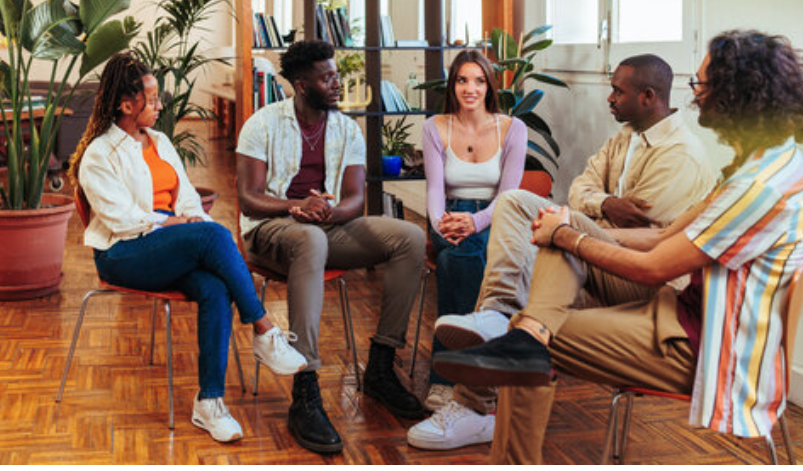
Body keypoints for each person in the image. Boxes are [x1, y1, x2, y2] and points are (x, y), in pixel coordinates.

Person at [432, 30, 803, 464]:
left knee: (529, 336)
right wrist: (571, 225)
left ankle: (512, 349)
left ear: (738, 94)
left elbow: (654, 265)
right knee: (543, 234)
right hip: (691, 316)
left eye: (703, 85)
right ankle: (511, 324)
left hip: (710, 346)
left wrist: (567, 235)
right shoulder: (766, 164)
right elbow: (662, 234)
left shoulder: (758, 188)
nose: (695, 96)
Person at [406, 53, 716, 450]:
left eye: (617, 91)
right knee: (520, 226)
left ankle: (475, 394)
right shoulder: (624, 137)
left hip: (640, 279)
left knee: (522, 237)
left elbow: (644, 235)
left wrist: (572, 233)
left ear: (647, 96)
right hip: (598, 261)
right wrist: (603, 206)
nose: (609, 98)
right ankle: (483, 376)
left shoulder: (681, 155)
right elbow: (578, 189)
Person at [68, 52, 307, 444]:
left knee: (214, 288)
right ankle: (263, 329)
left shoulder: (160, 141)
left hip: (168, 243)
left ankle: (209, 402)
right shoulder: (99, 154)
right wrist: (182, 224)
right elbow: (123, 221)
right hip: (124, 252)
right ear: (126, 104)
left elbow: (189, 199)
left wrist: (191, 220)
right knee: (212, 236)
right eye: (152, 97)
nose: (160, 104)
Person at [235, 39, 426, 455]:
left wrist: (325, 212)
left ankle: (380, 365)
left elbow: (355, 198)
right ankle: (305, 384)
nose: (338, 83)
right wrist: (296, 207)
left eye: (336, 74)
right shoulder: (262, 123)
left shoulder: (344, 127)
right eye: (328, 77)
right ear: (302, 85)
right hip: (269, 230)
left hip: (326, 226)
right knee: (307, 238)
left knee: (409, 237)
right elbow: (249, 197)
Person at [420, 49, 528, 411]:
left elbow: (508, 196)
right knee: (462, 254)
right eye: (463, 80)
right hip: (449, 216)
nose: (471, 88)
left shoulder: (513, 128)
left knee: (460, 259)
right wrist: (440, 224)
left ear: (489, 85)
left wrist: (476, 221)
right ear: (453, 85)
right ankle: (484, 369)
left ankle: (446, 377)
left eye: (479, 81)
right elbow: (435, 191)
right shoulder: (435, 126)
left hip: (497, 216)